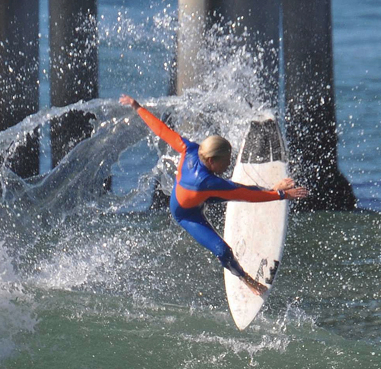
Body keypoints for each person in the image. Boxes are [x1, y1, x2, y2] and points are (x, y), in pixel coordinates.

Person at [121, 94, 309, 296]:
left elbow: (161, 130)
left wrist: (137, 107)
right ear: (211, 161)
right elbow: (247, 196)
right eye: (226, 161)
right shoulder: (206, 182)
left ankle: (272, 188)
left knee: (237, 188)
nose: (228, 164)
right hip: (186, 214)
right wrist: (281, 195)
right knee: (222, 250)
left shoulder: (189, 148)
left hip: (197, 195)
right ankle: (247, 280)